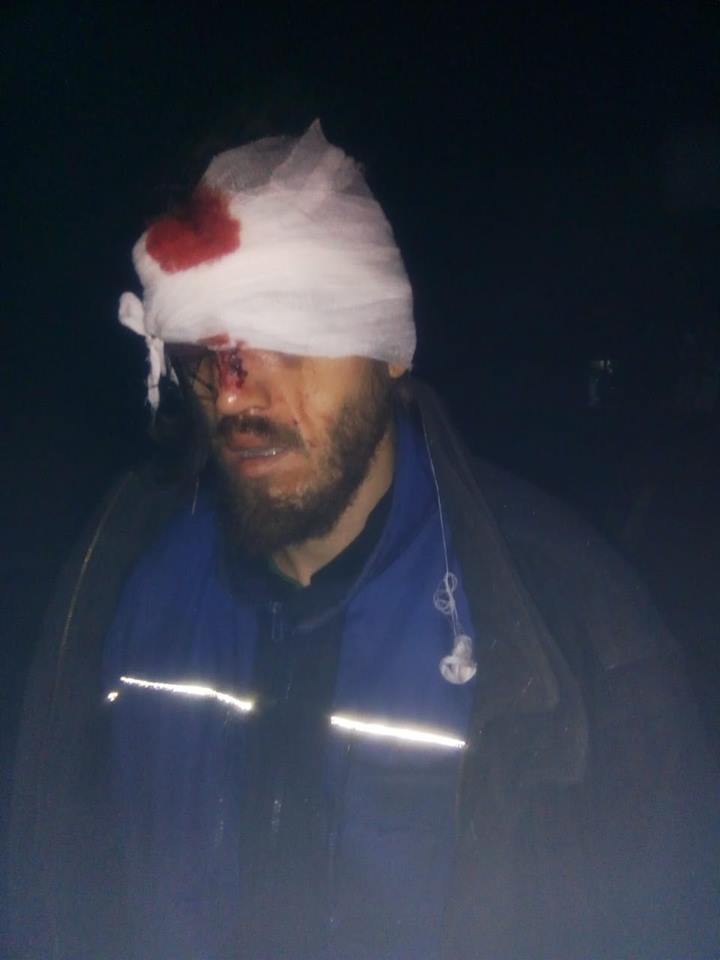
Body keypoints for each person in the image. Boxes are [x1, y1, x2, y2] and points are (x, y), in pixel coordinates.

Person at [8, 121, 720, 960]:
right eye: (209, 351)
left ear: (388, 353)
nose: (235, 398)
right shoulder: (125, 576)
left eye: (292, 340)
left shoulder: (572, 638)